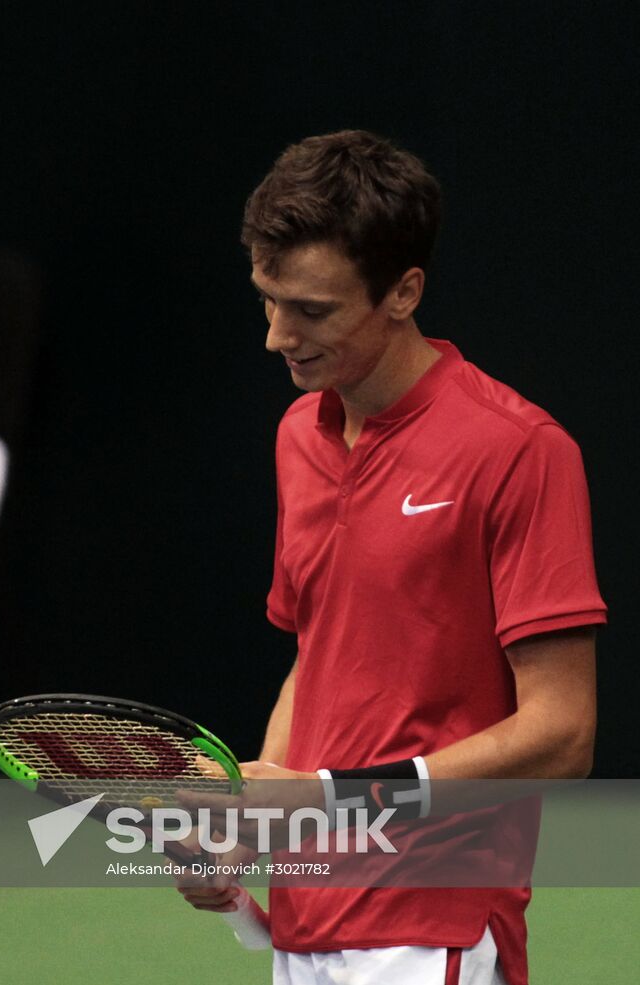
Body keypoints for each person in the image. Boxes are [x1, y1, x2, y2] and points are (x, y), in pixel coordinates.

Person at [178, 130, 604, 985]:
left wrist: (331, 797)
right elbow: (320, 657)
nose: (276, 335)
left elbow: (563, 735)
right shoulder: (298, 434)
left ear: (404, 291)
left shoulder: (519, 450)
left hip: (431, 918)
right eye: (268, 300)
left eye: (311, 310)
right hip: (309, 917)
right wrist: (256, 822)